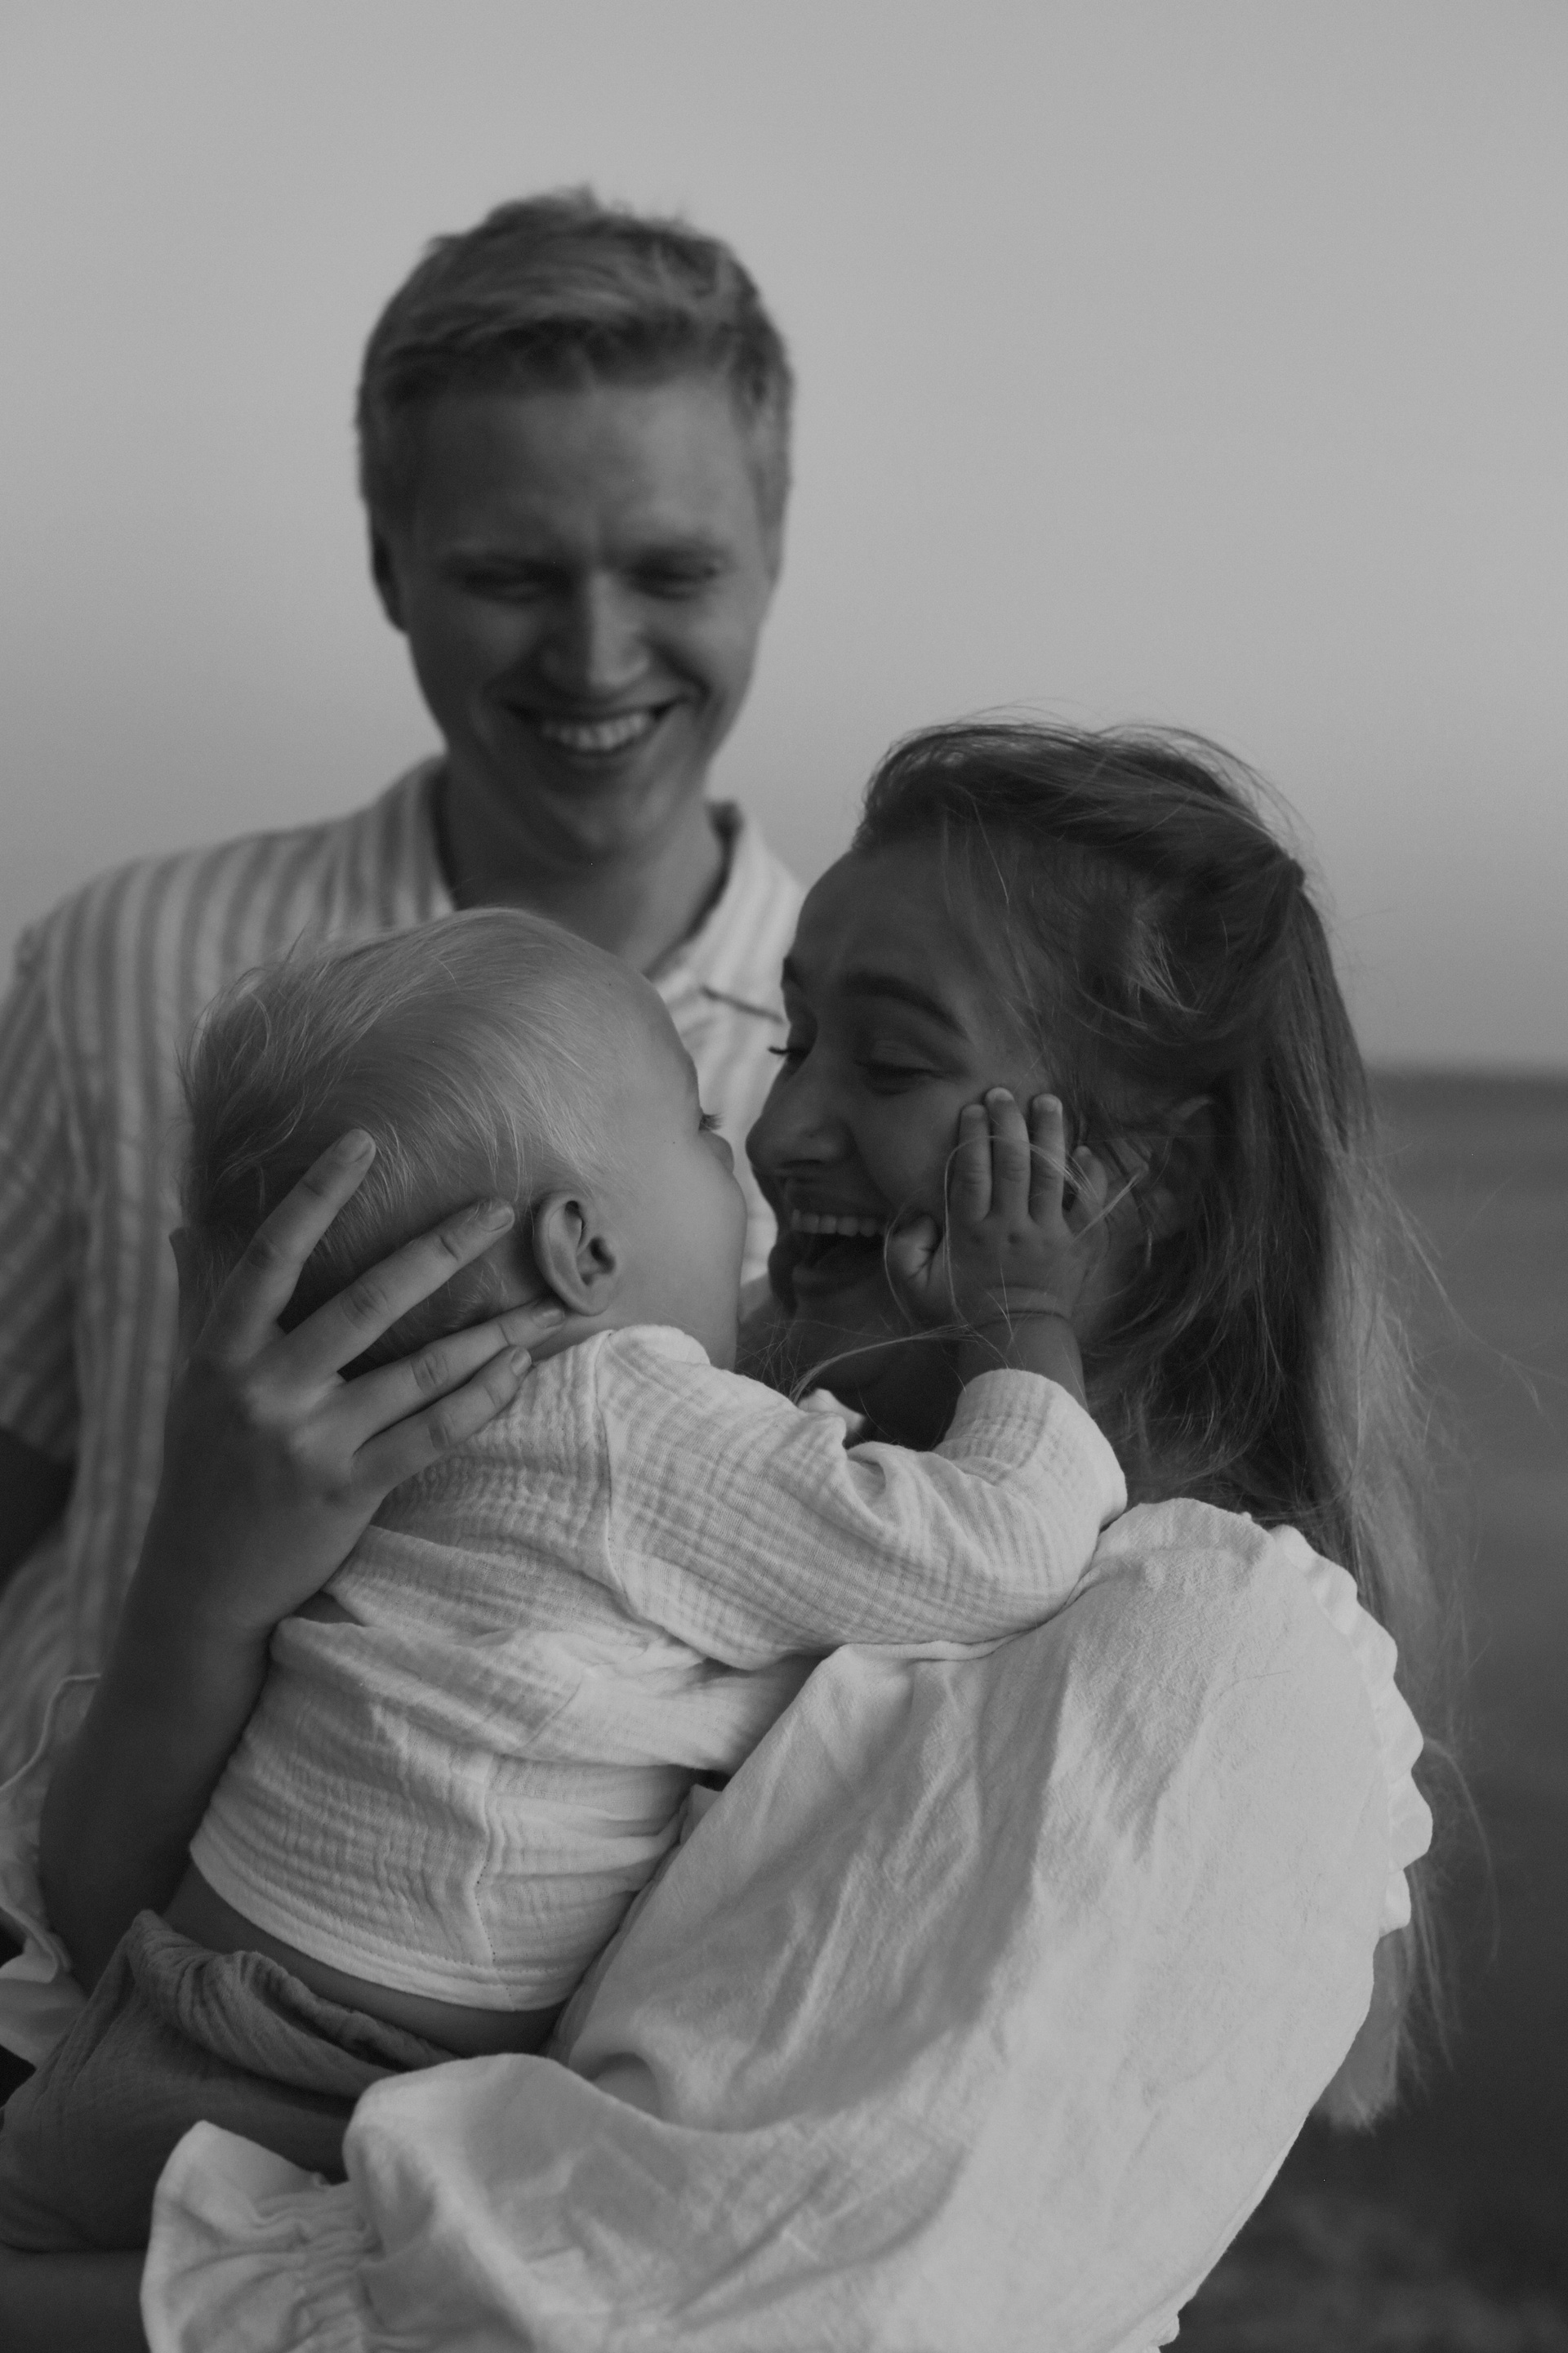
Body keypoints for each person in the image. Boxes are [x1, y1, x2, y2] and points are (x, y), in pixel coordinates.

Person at [0, 722, 1437, 2349]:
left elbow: (640, 2309)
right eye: (789, 1041)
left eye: (886, 1065)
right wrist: (207, 1577)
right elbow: (139, 1944)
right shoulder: (708, 1426)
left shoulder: (1204, 1660)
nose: (772, 1133)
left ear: (1147, 1180)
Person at [0, 906, 1124, 2249]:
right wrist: (1024, 1315)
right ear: (582, 1250)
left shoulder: (389, 1434)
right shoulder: (631, 1419)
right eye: (702, 1130)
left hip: (151, 2027)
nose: (748, 1158)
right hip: (314, 2093)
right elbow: (1003, 1546)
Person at [0, 188, 801, 1788]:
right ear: (388, 563)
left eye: (670, 570)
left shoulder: (870, 1067)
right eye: (512, 574)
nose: (596, 655)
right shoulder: (126, 960)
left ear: (770, 552)